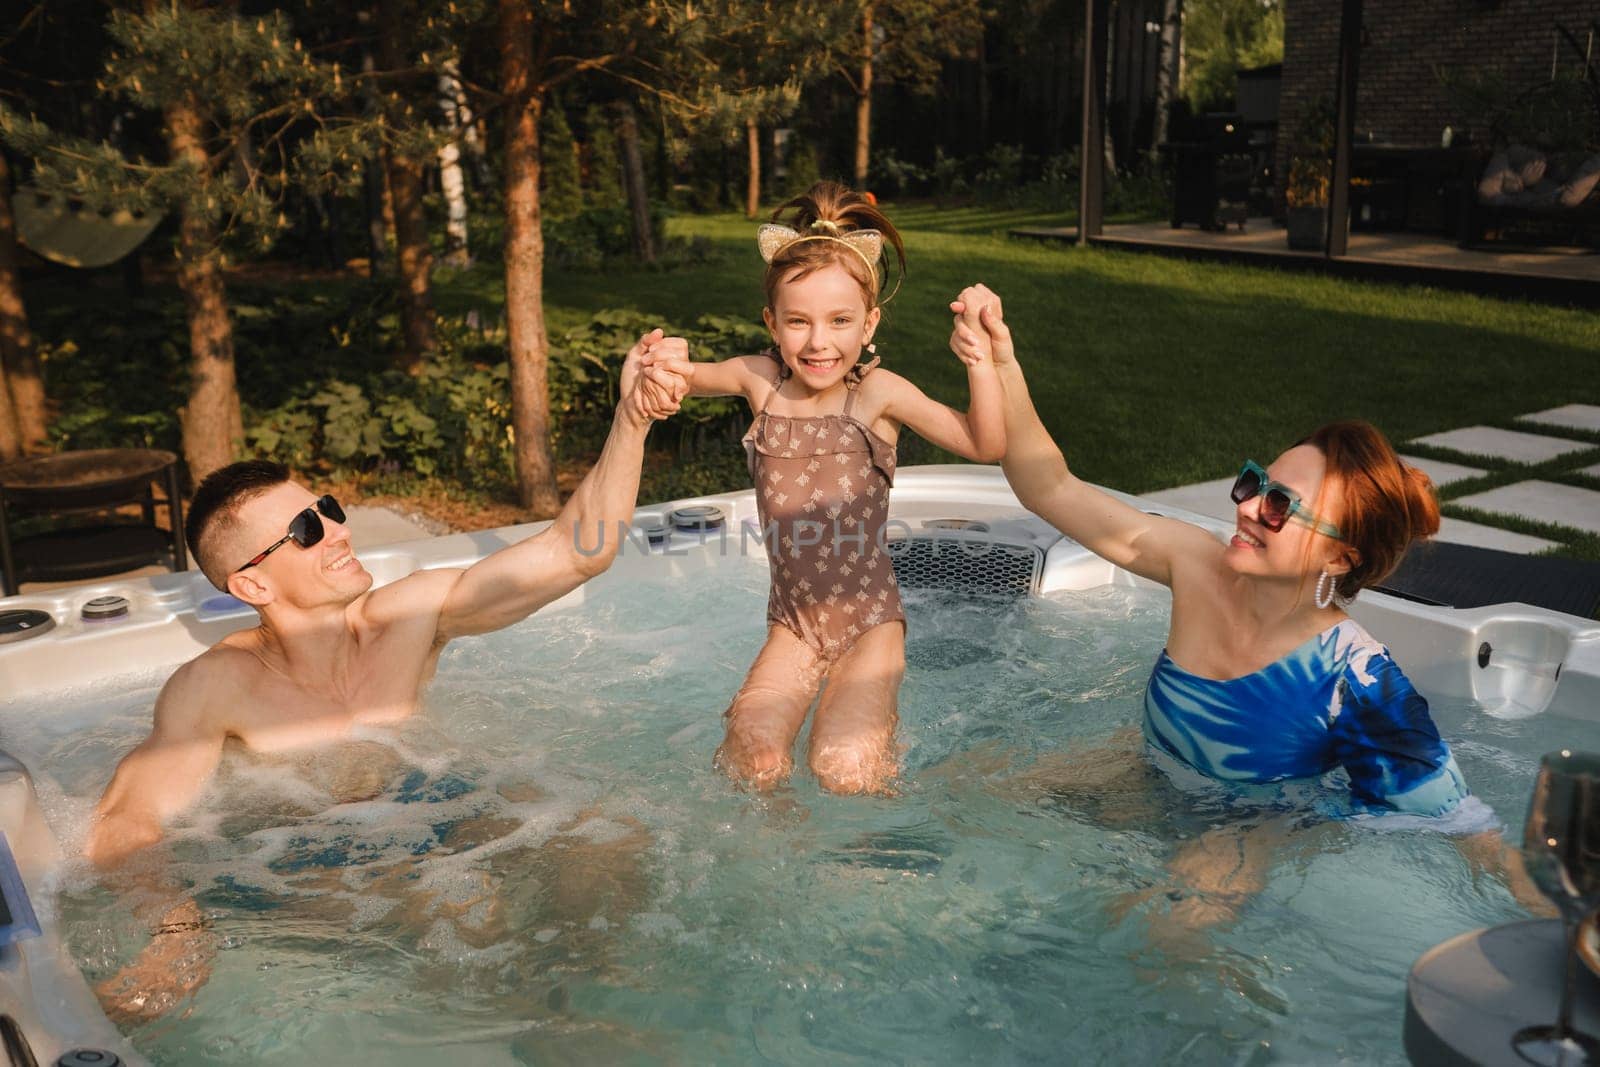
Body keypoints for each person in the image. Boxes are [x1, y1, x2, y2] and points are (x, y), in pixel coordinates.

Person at [948, 283, 1543, 931]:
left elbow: (1463, 822)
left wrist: (1549, 909)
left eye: (1281, 506)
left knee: (1161, 922)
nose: (1249, 506)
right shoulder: (1194, 563)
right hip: (1145, 769)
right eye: (1258, 484)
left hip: (1249, 825)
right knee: (959, 794)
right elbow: (1050, 487)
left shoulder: (1358, 677)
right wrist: (1000, 364)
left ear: (1340, 558)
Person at [84, 330, 690, 868]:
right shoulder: (214, 688)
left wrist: (631, 419)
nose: (339, 530)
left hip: (431, 806)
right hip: (304, 856)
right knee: (455, 902)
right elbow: (126, 822)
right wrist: (170, 927)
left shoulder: (409, 617)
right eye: (305, 530)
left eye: (328, 509)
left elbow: (577, 554)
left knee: (610, 840)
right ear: (252, 584)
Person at [641, 182, 1005, 795]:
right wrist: (659, 360)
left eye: (839, 322)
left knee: (842, 767)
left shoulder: (878, 393)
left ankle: (874, 861)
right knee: (751, 758)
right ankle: (781, 875)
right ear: (772, 324)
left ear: (870, 324)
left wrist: (981, 361)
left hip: (869, 622)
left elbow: (984, 444)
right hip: (794, 621)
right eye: (798, 322)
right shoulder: (759, 382)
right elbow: (683, 379)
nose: (818, 342)